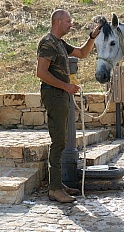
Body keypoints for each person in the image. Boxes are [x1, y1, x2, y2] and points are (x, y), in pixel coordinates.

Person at [36, 9, 101, 203]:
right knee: (58, 142)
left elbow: (82, 53)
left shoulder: (60, 44)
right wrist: (66, 86)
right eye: (67, 21)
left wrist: (92, 38)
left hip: (61, 94)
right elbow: (41, 72)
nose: (70, 24)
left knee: (61, 140)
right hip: (54, 94)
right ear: (57, 22)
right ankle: (54, 189)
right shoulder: (47, 42)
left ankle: (57, 184)